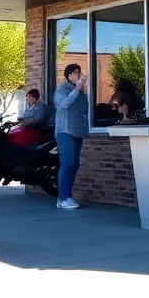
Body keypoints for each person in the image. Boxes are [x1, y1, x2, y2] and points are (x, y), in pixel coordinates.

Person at [53, 63, 89, 210]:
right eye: (75, 73)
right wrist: (77, 88)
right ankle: (63, 198)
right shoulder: (61, 90)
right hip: (65, 131)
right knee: (67, 163)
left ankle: (67, 195)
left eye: (79, 72)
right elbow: (64, 104)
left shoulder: (82, 93)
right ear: (69, 76)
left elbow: (85, 110)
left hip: (78, 132)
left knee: (74, 165)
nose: (78, 75)